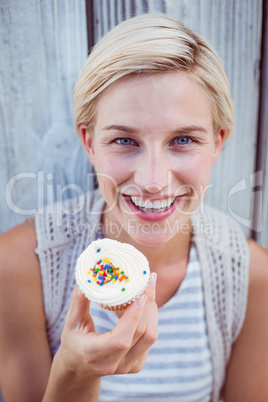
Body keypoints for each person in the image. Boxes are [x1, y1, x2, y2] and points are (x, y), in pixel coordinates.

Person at [0, 13, 267, 402]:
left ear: (217, 142)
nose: (153, 180)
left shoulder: (252, 278)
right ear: (89, 143)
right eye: (125, 141)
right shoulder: (20, 266)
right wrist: (74, 374)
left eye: (183, 140)